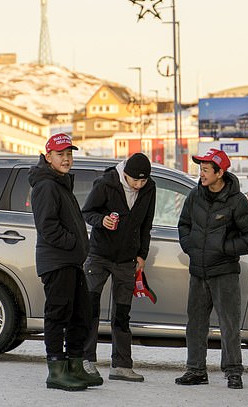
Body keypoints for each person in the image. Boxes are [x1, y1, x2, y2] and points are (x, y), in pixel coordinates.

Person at [175, 148, 248, 389]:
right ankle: (196, 370)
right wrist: (189, 245)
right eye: (200, 169)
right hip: (198, 273)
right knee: (196, 324)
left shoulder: (237, 202)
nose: (200, 174)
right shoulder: (195, 195)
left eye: (205, 170)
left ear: (220, 173)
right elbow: (183, 224)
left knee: (229, 325)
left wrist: (225, 247)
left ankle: (233, 372)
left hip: (224, 273)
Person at [28, 133, 103, 391]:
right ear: (48, 157)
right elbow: (47, 227)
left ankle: (75, 365)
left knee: (80, 314)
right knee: (58, 315)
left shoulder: (60, 183)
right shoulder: (46, 186)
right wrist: (73, 242)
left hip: (71, 261)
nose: (67, 159)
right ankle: (56, 371)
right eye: (61, 154)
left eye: (69, 154)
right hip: (57, 261)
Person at [81, 152, 156, 382]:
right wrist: (102, 220)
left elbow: (146, 224)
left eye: (143, 181)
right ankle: (85, 360)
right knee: (90, 308)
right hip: (99, 255)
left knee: (122, 313)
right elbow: (88, 212)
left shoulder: (149, 188)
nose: (139, 185)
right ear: (125, 175)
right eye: (135, 181)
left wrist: (142, 255)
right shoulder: (106, 184)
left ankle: (121, 365)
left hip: (126, 260)